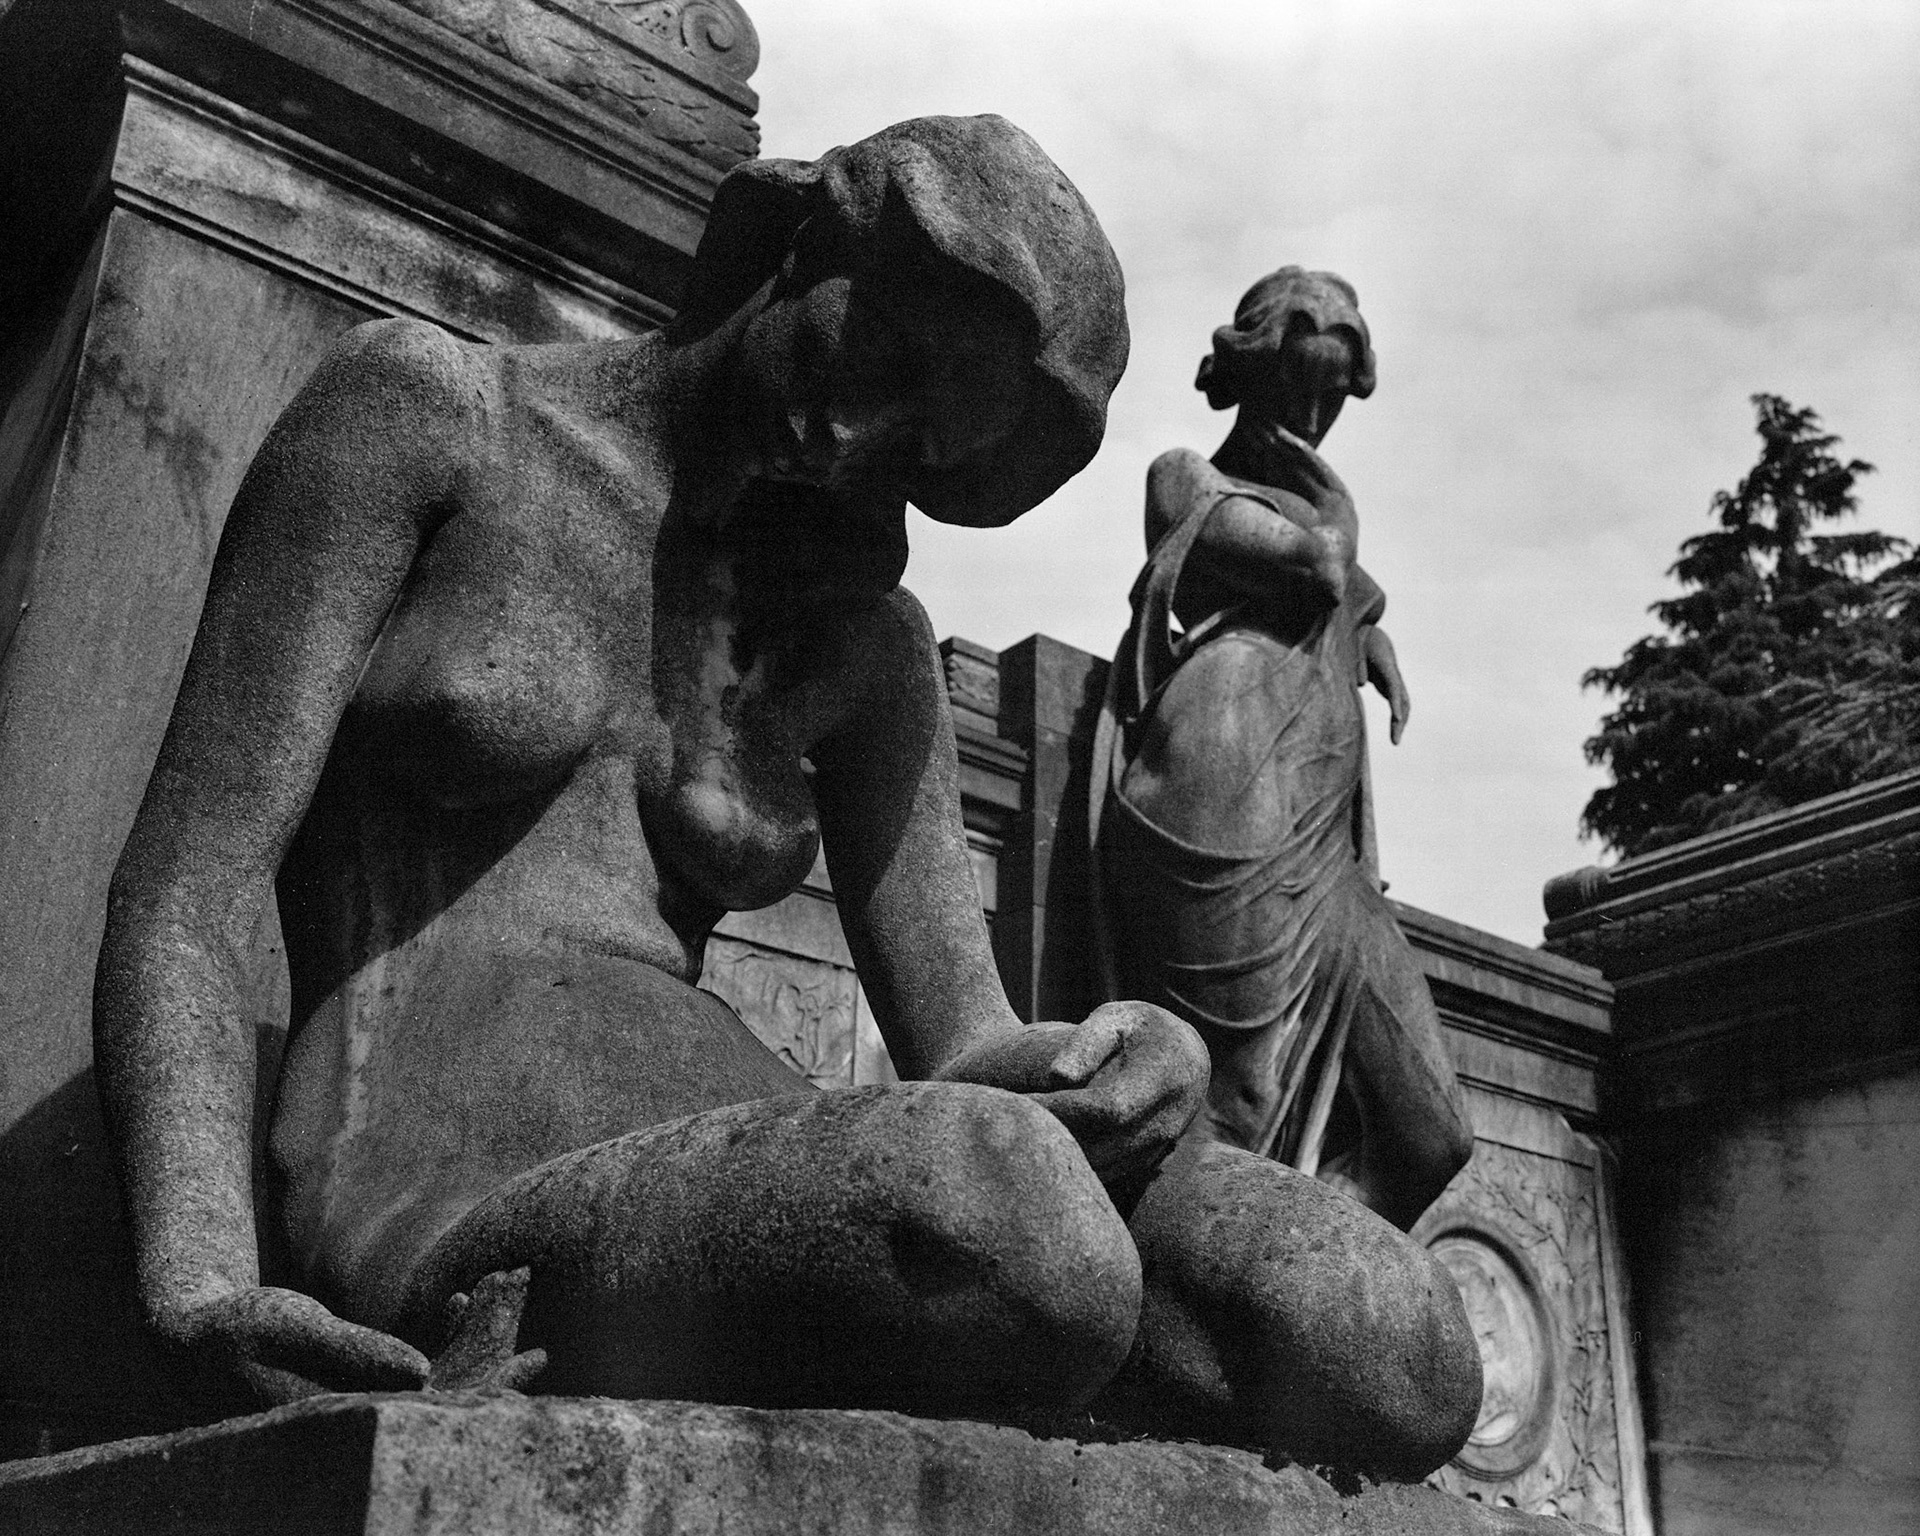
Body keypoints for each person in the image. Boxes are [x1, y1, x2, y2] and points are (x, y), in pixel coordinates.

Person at [95, 125, 1477, 1476]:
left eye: (918, 442)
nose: (853, 435)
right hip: (444, 1185)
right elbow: (195, 880)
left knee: (1380, 1330)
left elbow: (970, 1040)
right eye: (876, 352)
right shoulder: (435, 425)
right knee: (1016, 1230)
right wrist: (202, 1280)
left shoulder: (862, 646)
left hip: (775, 1168)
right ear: (803, 241)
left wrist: (1116, 1060)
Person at [1092, 267, 1476, 1232]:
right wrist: (1344, 566)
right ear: (1256, 371)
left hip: (1321, 849)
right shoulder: (1188, 477)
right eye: (1310, 391)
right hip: (1222, 807)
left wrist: (1369, 635)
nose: (1326, 416)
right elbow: (1318, 563)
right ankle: (1205, 1298)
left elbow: (1341, 587)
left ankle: (1290, 1276)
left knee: (1431, 1134)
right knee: (1237, 1109)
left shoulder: (1303, 512)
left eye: (1337, 397)